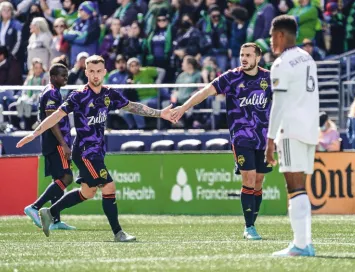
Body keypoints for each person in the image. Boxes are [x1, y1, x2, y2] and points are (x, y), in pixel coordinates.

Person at [16, 55, 173, 241]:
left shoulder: (109, 94)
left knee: (87, 192)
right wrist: (34, 133)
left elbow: (131, 107)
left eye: (99, 71)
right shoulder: (79, 95)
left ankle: (50, 212)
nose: (95, 75)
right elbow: (56, 115)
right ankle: (118, 233)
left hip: (97, 151)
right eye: (91, 71)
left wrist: (160, 113)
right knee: (109, 186)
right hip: (85, 152)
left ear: (104, 72)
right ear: (86, 72)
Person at [171, 43, 273, 240]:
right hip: (242, 137)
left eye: (248, 55)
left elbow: (280, 104)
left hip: (264, 137)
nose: (244, 58)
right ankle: (249, 227)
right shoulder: (231, 77)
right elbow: (205, 92)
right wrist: (183, 107)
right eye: (242, 54)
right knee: (249, 178)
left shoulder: (268, 78)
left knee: (259, 181)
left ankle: (253, 221)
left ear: (258, 58)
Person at [264, 15, 318, 257]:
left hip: (290, 130)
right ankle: (305, 242)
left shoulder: (282, 64)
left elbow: (279, 103)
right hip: (309, 129)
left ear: (279, 35)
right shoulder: (307, 58)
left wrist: (270, 138)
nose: (270, 42)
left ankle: (300, 245)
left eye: (271, 36)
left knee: (294, 188)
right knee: (301, 188)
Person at [23, 63, 76, 231]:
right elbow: (52, 121)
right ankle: (35, 207)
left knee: (58, 179)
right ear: (53, 77)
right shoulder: (52, 92)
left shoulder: (50, 89)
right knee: (67, 178)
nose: (65, 78)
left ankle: (55, 220)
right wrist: (64, 144)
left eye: (66, 75)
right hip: (55, 141)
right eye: (62, 75)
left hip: (49, 141)